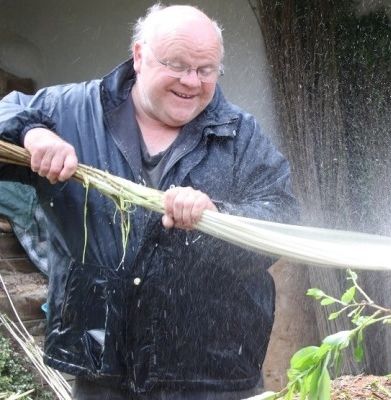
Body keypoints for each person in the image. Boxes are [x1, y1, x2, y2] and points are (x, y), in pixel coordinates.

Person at [0, 4, 298, 399]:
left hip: (212, 373)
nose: (191, 82)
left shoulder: (240, 135)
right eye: (177, 65)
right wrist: (31, 133)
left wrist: (218, 216)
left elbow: (281, 216)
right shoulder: (71, 110)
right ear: (139, 56)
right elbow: (8, 113)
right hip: (101, 364)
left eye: (206, 69)